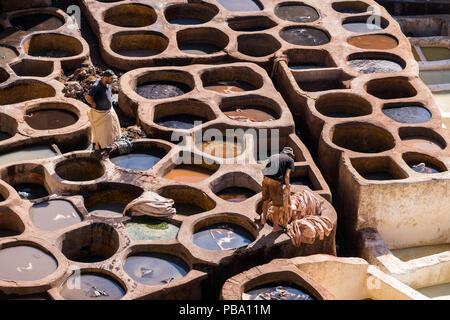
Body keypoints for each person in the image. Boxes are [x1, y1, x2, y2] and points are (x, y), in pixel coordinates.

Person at [84, 70, 121, 152]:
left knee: (107, 131)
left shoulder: (108, 84)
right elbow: (87, 97)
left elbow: (109, 92)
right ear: (105, 77)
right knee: (101, 132)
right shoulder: (97, 86)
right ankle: (100, 147)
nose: (112, 80)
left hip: (108, 111)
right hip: (100, 114)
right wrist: (92, 103)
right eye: (111, 78)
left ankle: (102, 145)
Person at [261, 147, 295, 232]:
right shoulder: (290, 160)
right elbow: (287, 176)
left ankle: (263, 219)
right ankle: (275, 227)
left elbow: (266, 169)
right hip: (275, 182)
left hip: (265, 179)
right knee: (276, 207)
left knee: (265, 201)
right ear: (290, 155)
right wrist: (287, 185)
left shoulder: (274, 156)